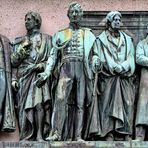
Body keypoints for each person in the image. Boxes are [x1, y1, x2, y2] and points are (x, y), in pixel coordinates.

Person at [35, 2, 100, 141]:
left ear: (82, 15)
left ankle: (78, 135)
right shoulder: (60, 34)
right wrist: (46, 72)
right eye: (72, 12)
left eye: (77, 12)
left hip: (82, 69)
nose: (75, 14)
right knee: (60, 99)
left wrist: (95, 61)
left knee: (80, 103)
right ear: (68, 15)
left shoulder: (88, 34)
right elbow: (53, 56)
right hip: (66, 68)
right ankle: (56, 133)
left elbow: (94, 54)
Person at [11, 11, 52, 141]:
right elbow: (14, 62)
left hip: (39, 76)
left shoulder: (47, 39)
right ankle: (26, 133)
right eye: (25, 20)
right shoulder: (20, 41)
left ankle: (40, 134)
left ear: (36, 22)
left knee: (39, 104)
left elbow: (53, 59)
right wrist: (22, 49)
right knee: (24, 107)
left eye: (29, 19)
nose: (26, 22)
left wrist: (43, 65)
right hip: (24, 76)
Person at [95, 11, 135, 141]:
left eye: (119, 20)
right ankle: (108, 132)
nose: (118, 22)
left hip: (124, 77)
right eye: (115, 20)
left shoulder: (128, 40)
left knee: (127, 103)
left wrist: (122, 67)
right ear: (109, 22)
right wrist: (112, 66)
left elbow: (131, 57)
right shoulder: (101, 40)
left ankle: (126, 133)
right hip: (108, 77)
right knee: (107, 104)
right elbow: (99, 56)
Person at [0, 34, 15, 132]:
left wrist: (13, 78)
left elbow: (13, 63)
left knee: (0, 105)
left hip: (2, 73)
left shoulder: (5, 41)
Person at [135, 24, 148, 141]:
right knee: (143, 107)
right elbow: (139, 58)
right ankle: (140, 135)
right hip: (146, 81)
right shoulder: (142, 44)